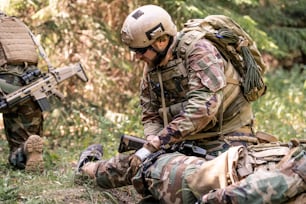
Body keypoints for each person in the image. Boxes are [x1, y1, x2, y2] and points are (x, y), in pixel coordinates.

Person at [75, 4, 305, 203]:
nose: (137, 57)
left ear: (162, 40)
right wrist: (152, 143)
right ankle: (88, 167)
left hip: (227, 140)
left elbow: (203, 109)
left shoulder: (200, 51)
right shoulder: (153, 66)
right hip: (184, 141)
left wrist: (156, 144)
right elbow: (150, 113)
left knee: (207, 178)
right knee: (130, 164)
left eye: (140, 51)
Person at [0, 11, 44, 172]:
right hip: (33, 84)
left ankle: (21, 153)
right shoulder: (16, 22)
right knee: (26, 140)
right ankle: (26, 150)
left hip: (6, 84)